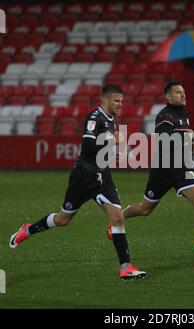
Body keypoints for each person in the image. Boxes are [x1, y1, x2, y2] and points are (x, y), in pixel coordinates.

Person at [9, 85, 146, 281]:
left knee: (117, 217)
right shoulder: (94, 118)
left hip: (103, 177)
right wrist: (111, 139)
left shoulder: (111, 120)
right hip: (84, 177)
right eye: (117, 101)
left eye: (122, 101)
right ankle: (28, 230)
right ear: (105, 100)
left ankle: (126, 267)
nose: (120, 105)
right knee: (63, 220)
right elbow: (89, 144)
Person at [107, 80, 194, 259]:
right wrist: (188, 137)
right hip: (163, 169)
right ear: (168, 97)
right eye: (178, 92)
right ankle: (115, 219)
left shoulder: (184, 115)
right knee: (146, 208)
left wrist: (191, 144)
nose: (183, 94)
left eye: (183, 91)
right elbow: (165, 141)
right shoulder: (164, 116)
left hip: (180, 168)